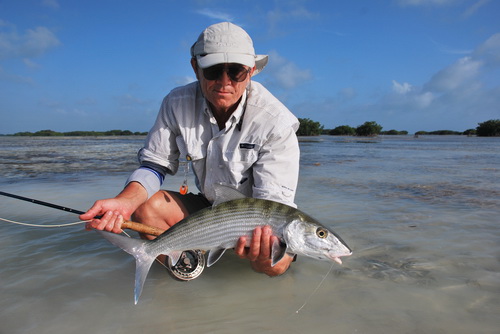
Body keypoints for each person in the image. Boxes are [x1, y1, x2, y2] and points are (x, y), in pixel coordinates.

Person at [80, 22, 300, 276]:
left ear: (250, 72)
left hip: (257, 219)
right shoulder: (176, 103)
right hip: (208, 207)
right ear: (196, 68)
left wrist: (261, 243)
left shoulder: (276, 122)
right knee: (146, 208)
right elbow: (155, 165)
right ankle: (184, 271)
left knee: (275, 266)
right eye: (214, 71)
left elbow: (273, 204)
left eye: (236, 72)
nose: (224, 82)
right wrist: (123, 202)